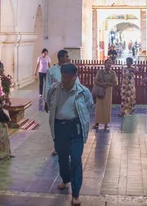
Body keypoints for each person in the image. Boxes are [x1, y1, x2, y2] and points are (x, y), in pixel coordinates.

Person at [46, 63, 94, 206]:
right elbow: (49, 103)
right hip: (60, 128)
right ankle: (65, 178)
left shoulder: (83, 92)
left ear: (75, 77)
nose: (65, 81)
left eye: (68, 78)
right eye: (63, 77)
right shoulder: (54, 90)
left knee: (76, 159)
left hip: (75, 129)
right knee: (62, 156)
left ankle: (76, 194)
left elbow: (89, 106)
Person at [45, 49, 71, 156]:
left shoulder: (71, 70)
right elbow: (47, 87)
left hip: (68, 101)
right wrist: (46, 101)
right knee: (54, 123)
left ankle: (67, 145)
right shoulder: (51, 71)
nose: (68, 58)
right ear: (60, 58)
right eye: (66, 56)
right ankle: (56, 146)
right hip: (54, 101)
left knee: (67, 123)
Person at [93, 58, 117, 131]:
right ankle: (97, 123)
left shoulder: (113, 73)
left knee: (107, 107)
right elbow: (96, 81)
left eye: (110, 63)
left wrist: (107, 84)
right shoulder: (100, 72)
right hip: (100, 90)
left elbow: (115, 83)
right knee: (98, 107)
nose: (109, 64)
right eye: (107, 63)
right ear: (104, 64)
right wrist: (103, 84)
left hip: (108, 91)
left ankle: (106, 124)